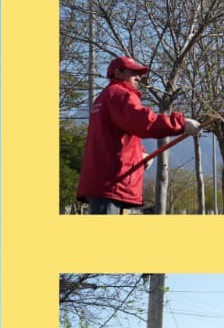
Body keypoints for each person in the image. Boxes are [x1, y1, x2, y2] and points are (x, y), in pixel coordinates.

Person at [76, 56, 198, 215]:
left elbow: (117, 135)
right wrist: (181, 123)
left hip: (104, 183)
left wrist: (139, 153)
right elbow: (143, 123)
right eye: (133, 73)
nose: (139, 77)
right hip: (112, 184)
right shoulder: (120, 95)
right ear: (118, 73)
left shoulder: (105, 97)